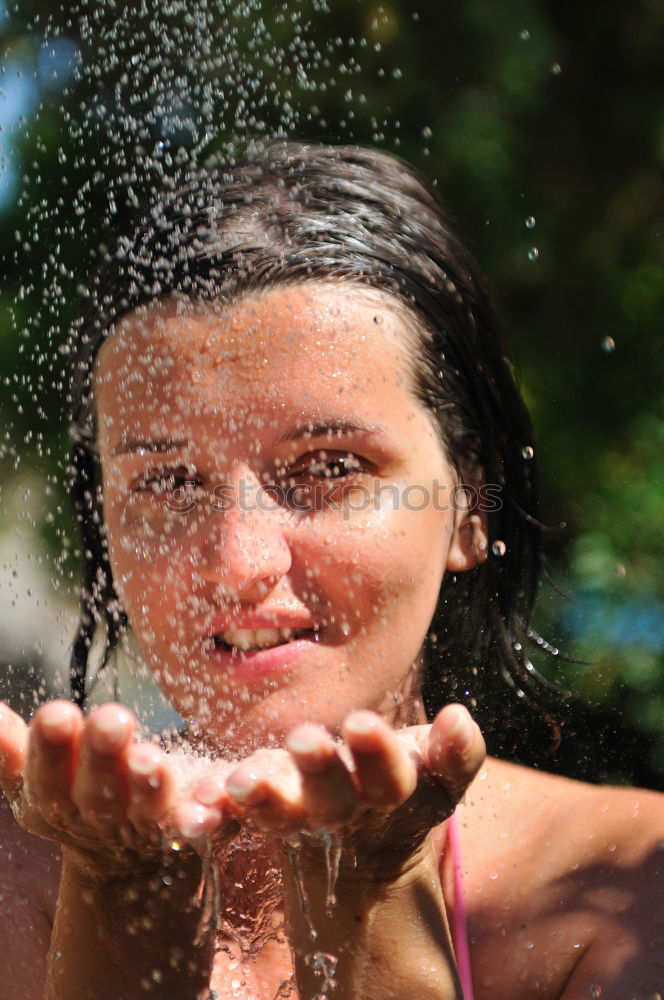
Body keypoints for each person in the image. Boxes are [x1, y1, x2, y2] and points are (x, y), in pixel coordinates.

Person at [0, 144, 661, 1000]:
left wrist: (371, 899)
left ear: (470, 505)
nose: (239, 564)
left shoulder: (620, 895)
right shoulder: (19, 888)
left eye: (329, 466)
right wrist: (123, 901)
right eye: (165, 481)